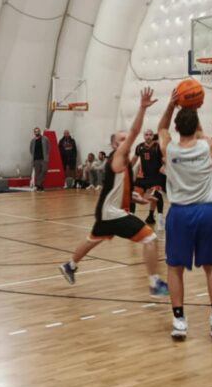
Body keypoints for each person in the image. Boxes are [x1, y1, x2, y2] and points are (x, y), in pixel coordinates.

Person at [58, 88, 169, 297]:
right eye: (121, 140)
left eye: (126, 139)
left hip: (105, 212)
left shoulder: (123, 163)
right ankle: (155, 283)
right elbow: (135, 131)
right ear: (114, 145)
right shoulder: (117, 156)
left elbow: (116, 188)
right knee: (150, 238)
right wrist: (142, 108)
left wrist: (136, 197)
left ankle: (70, 265)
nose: (126, 141)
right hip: (112, 213)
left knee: (92, 239)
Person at [158, 92, 212, 339]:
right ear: (197, 125)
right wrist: (193, 106)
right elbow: (200, 132)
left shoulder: (170, 149)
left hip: (181, 213)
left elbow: (161, 129)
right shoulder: (207, 145)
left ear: (177, 128)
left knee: (175, 268)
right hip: (207, 211)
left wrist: (171, 104)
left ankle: (179, 322)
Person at [132, 129, 166, 231]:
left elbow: (165, 159)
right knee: (132, 195)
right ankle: (131, 218)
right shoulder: (139, 147)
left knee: (156, 195)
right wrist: (126, 169)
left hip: (155, 178)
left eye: (150, 135)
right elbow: (134, 160)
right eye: (146, 134)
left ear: (152, 136)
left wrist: (165, 165)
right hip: (143, 178)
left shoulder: (158, 147)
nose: (148, 136)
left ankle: (160, 219)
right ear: (144, 136)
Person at [29, 127, 51, 191]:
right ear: (34, 133)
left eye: (38, 131)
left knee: (44, 170)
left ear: (40, 131)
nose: (37, 132)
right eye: (35, 131)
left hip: (44, 159)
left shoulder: (45, 138)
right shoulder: (32, 141)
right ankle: (40, 186)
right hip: (36, 159)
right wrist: (34, 157)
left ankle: (38, 183)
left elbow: (49, 147)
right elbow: (31, 150)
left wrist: (46, 154)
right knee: (37, 173)